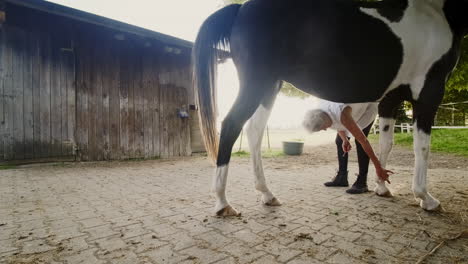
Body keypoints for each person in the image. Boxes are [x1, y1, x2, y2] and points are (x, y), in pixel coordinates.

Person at [303, 101, 393, 194]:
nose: (325, 129)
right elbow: (336, 124)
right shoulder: (322, 111)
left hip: (367, 108)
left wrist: (378, 168)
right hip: (349, 112)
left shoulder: (342, 114)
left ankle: (362, 182)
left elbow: (364, 141)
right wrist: (345, 140)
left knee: (359, 141)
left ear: (324, 119)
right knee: (339, 140)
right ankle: (342, 177)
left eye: (323, 127)